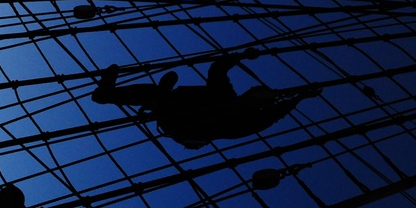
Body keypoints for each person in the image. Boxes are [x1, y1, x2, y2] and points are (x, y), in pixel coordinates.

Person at [91, 55, 319, 149]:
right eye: (254, 88)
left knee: (160, 96)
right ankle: (110, 94)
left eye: (258, 91)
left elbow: (274, 115)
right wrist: (241, 56)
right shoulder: (226, 95)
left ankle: (115, 95)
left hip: (188, 127)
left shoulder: (249, 119)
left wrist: (298, 98)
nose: (253, 89)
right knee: (159, 95)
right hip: (179, 115)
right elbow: (217, 69)